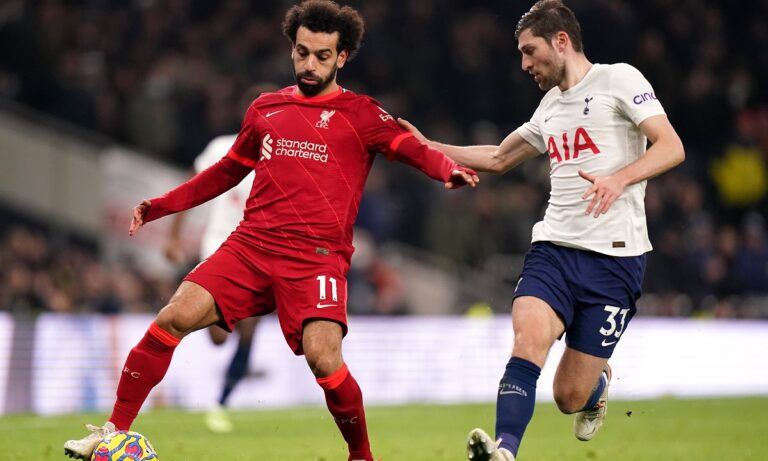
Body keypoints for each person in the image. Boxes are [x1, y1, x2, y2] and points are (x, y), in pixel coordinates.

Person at [63, 1, 479, 460]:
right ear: (292, 50)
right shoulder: (267, 108)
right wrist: (161, 206)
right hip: (251, 247)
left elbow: (408, 146)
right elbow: (225, 172)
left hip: (316, 258)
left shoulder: (361, 114)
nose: (310, 63)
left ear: (342, 57)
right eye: (302, 52)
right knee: (172, 317)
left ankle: (361, 456)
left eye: (322, 55)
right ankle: (112, 431)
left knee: (324, 359)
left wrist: (446, 169)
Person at [399, 1, 684, 460]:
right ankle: (505, 451)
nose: (524, 64)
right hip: (553, 249)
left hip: (616, 261)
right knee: (528, 341)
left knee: (569, 396)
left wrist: (619, 179)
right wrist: (426, 146)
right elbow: (499, 157)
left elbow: (671, 146)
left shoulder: (619, 79)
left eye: (529, 51)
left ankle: (596, 387)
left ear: (561, 41)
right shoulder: (550, 105)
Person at [163, 83, 278, 434]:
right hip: (220, 246)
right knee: (218, 336)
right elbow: (190, 186)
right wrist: (173, 235)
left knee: (250, 328)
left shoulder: (287, 155)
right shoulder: (221, 147)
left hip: (261, 251)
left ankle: (222, 403)